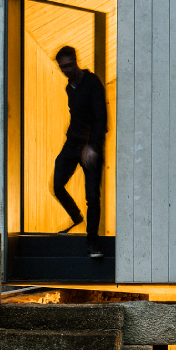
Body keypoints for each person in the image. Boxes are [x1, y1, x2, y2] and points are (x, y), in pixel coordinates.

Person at [52, 45, 107, 259]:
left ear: (76, 61)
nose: (67, 70)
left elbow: (101, 118)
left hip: (90, 146)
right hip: (72, 144)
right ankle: (76, 217)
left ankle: (92, 242)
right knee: (57, 185)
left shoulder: (92, 84)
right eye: (63, 68)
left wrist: (93, 147)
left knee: (92, 196)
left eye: (69, 65)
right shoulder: (69, 88)